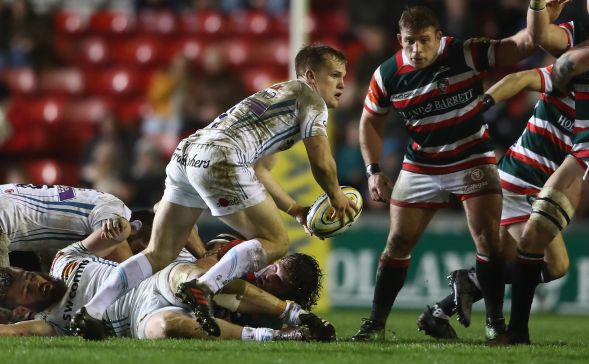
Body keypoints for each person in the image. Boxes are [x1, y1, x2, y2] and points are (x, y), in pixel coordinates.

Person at [72, 43, 359, 340]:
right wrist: (336, 196)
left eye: (343, 77)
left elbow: (260, 170)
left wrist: (295, 209)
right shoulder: (312, 102)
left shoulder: (278, 97)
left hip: (187, 152)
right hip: (221, 157)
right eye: (335, 75)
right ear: (311, 76)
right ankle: (205, 287)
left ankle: (92, 311)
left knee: (159, 252)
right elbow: (322, 163)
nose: (341, 84)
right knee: (276, 241)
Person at [351, 3, 569, 341]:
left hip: (472, 157)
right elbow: (369, 122)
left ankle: (495, 325)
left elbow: (520, 46)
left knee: (488, 243)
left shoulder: (465, 53)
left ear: (440, 37)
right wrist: (373, 170)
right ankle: (375, 325)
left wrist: (542, 15)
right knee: (397, 241)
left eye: (424, 40)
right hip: (421, 164)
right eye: (409, 41)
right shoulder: (387, 74)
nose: (416, 49)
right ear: (399, 39)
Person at [417, 63, 575, 340]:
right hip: (522, 180)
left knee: (499, 264)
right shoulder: (566, 80)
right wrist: (482, 105)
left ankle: (437, 314)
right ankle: (488, 307)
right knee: (555, 264)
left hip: (524, 180)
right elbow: (518, 77)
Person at [0, 238, 333, 342]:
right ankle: (276, 337)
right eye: (26, 291)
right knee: (163, 329)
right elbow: (11, 334)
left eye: (28, 276)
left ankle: (295, 314)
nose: (35, 283)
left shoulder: (64, 260)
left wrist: (115, 228)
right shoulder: (52, 322)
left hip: (153, 281)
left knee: (189, 278)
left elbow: (110, 234)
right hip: (140, 318)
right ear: (20, 310)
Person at [490, 0, 589, 344]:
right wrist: (537, 5)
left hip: (558, 166)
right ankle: (516, 331)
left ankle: (472, 285)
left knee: (554, 263)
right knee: (532, 245)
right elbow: (537, 37)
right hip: (563, 162)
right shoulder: (577, 38)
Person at [0, 183, 153, 270]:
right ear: (136, 228)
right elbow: (130, 273)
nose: (138, 254)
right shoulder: (115, 209)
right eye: (140, 250)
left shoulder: (87, 209)